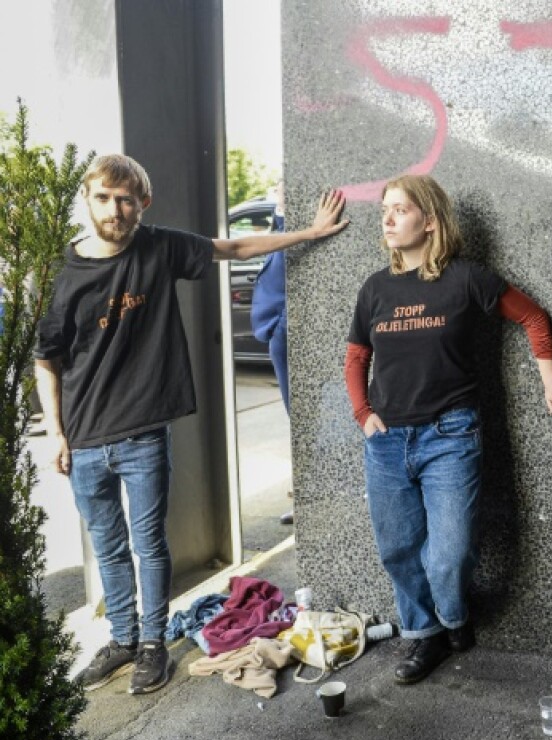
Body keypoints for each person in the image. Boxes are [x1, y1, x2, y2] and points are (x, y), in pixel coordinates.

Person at [34, 154, 348, 695]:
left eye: (126, 198)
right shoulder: (63, 275)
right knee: (107, 547)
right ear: (88, 199)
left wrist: (310, 233)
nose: (116, 208)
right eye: (105, 197)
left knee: (149, 543)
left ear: (143, 203)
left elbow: (234, 248)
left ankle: (153, 643)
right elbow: (47, 359)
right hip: (84, 440)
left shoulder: (159, 247)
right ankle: (123, 639)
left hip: (142, 432)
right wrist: (58, 434)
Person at [345, 174, 552, 686]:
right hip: (387, 442)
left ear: (429, 221)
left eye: (400, 210)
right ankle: (423, 633)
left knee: (451, 551)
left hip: (451, 435)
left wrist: (551, 380)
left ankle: (452, 616)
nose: (387, 218)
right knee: (397, 549)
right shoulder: (375, 288)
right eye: (384, 209)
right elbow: (355, 359)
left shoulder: (466, 279)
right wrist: (363, 414)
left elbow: (535, 318)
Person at [248, 182, 294, 524]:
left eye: (281, 182)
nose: (276, 186)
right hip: (278, 329)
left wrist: (280, 325)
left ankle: (309, 496)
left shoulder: (290, 226)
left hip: (284, 328)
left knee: (300, 418)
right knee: (296, 420)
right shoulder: (281, 222)